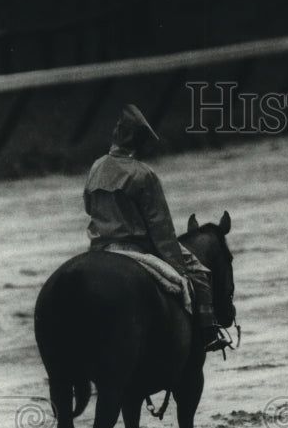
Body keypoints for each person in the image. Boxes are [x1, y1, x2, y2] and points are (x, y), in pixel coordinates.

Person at [83, 103, 229, 353]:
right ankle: (208, 334)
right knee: (200, 274)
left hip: (100, 248)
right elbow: (161, 228)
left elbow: (89, 206)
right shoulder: (143, 174)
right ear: (138, 141)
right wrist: (178, 266)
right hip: (138, 248)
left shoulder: (96, 167)